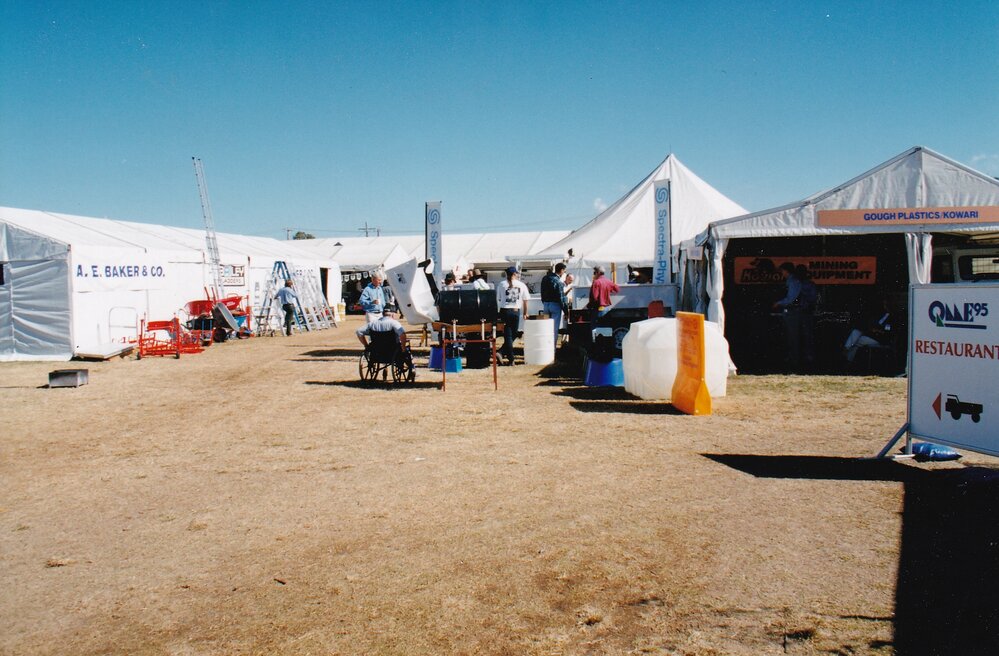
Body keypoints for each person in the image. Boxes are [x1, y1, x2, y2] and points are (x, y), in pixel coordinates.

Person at [772, 262, 815, 372]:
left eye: (783, 271)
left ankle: (794, 362)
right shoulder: (809, 283)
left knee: (793, 338)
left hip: (794, 313)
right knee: (806, 337)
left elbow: (791, 298)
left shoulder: (793, 281)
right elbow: (812, 299)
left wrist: (779, 303)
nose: (782, 273)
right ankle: (806, 360)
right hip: (804, 312)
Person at [496, 266, 530, 365]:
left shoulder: (501, 284)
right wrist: (525, 312)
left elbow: (499, 298)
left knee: (508, 335)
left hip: (504, 311)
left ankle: (502, 352)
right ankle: (510, 358)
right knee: (513, 334)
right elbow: (525, 300)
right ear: (515, 274)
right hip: (515, 311)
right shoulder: (521, 285)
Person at [844, 299, 892, 363]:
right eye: (884, 304)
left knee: (856, 341)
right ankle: (846, 352)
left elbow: (888, 332)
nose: (885, 306)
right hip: (871, 335)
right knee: (855, 331)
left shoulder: (892, 318)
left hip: (880, 339)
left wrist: (877, 330)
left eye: (886, 305)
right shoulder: (882, 315)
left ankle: (847, 359)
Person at [540, 263, 568, 349]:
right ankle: (552, 350)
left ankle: (545, 347)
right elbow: (561, 298)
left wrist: (544, 302)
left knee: (546, 328)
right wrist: (566, 311)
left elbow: (542, 292)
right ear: (561, 270)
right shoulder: (558, 281)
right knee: (554, 329)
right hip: (555, 305)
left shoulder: (545, 278)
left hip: (546, 304)